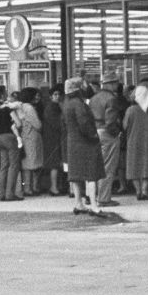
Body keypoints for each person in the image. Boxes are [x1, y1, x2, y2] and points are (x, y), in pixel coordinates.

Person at [62, 77, 104, 214]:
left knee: (76, 175)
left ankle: (78, 203)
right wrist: (93, 136)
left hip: (72, 142)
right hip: (85, 143)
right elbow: (84, 123)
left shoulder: (66, 104)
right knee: (91, 174)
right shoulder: (79, 104)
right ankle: (94, 205)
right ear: (78, 89)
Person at [122, 81, 148, 200]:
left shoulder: (130, 110)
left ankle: (138, 191)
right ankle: (145, 191)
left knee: (134, 166)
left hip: (133, 142)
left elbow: (125, 126)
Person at [90, 80, 126, 206]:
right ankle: (104, 199)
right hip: (107, 133)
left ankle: (93, 196)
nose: (117, 85)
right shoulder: (112, 99)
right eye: (115, 83)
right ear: (110, 84)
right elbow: (110, 121)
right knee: (108, 166)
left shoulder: (94, 98)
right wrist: (117, 133)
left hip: (95, 132)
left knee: (97, 165)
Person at [0, 85, 22, 201]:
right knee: (13, 165)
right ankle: (10, 194)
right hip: (9, 137)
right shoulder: (7, 108)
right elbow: (18, 123)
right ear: (3, 94)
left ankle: (2, 193)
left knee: (3, 166)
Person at [15, 87, 44, 195]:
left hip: (25, 136)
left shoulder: (20, 106)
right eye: (35, 95)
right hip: (32, 137)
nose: (38, 97)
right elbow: (37, 124)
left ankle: (28, 187)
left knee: (27, 163)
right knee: (32, 164)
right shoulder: (29, 108)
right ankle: (31, 188)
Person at [40, 86, 66, 196]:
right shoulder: (51, 108)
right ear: (50, 96)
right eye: (55, 94)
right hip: (53, 139)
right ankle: (54, 187)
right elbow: (57, 124)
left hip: (53, 138)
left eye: (59, 94)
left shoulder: (54, 107)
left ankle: (56, 186)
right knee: (54, 164)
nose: (58, 96)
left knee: (56, 164)